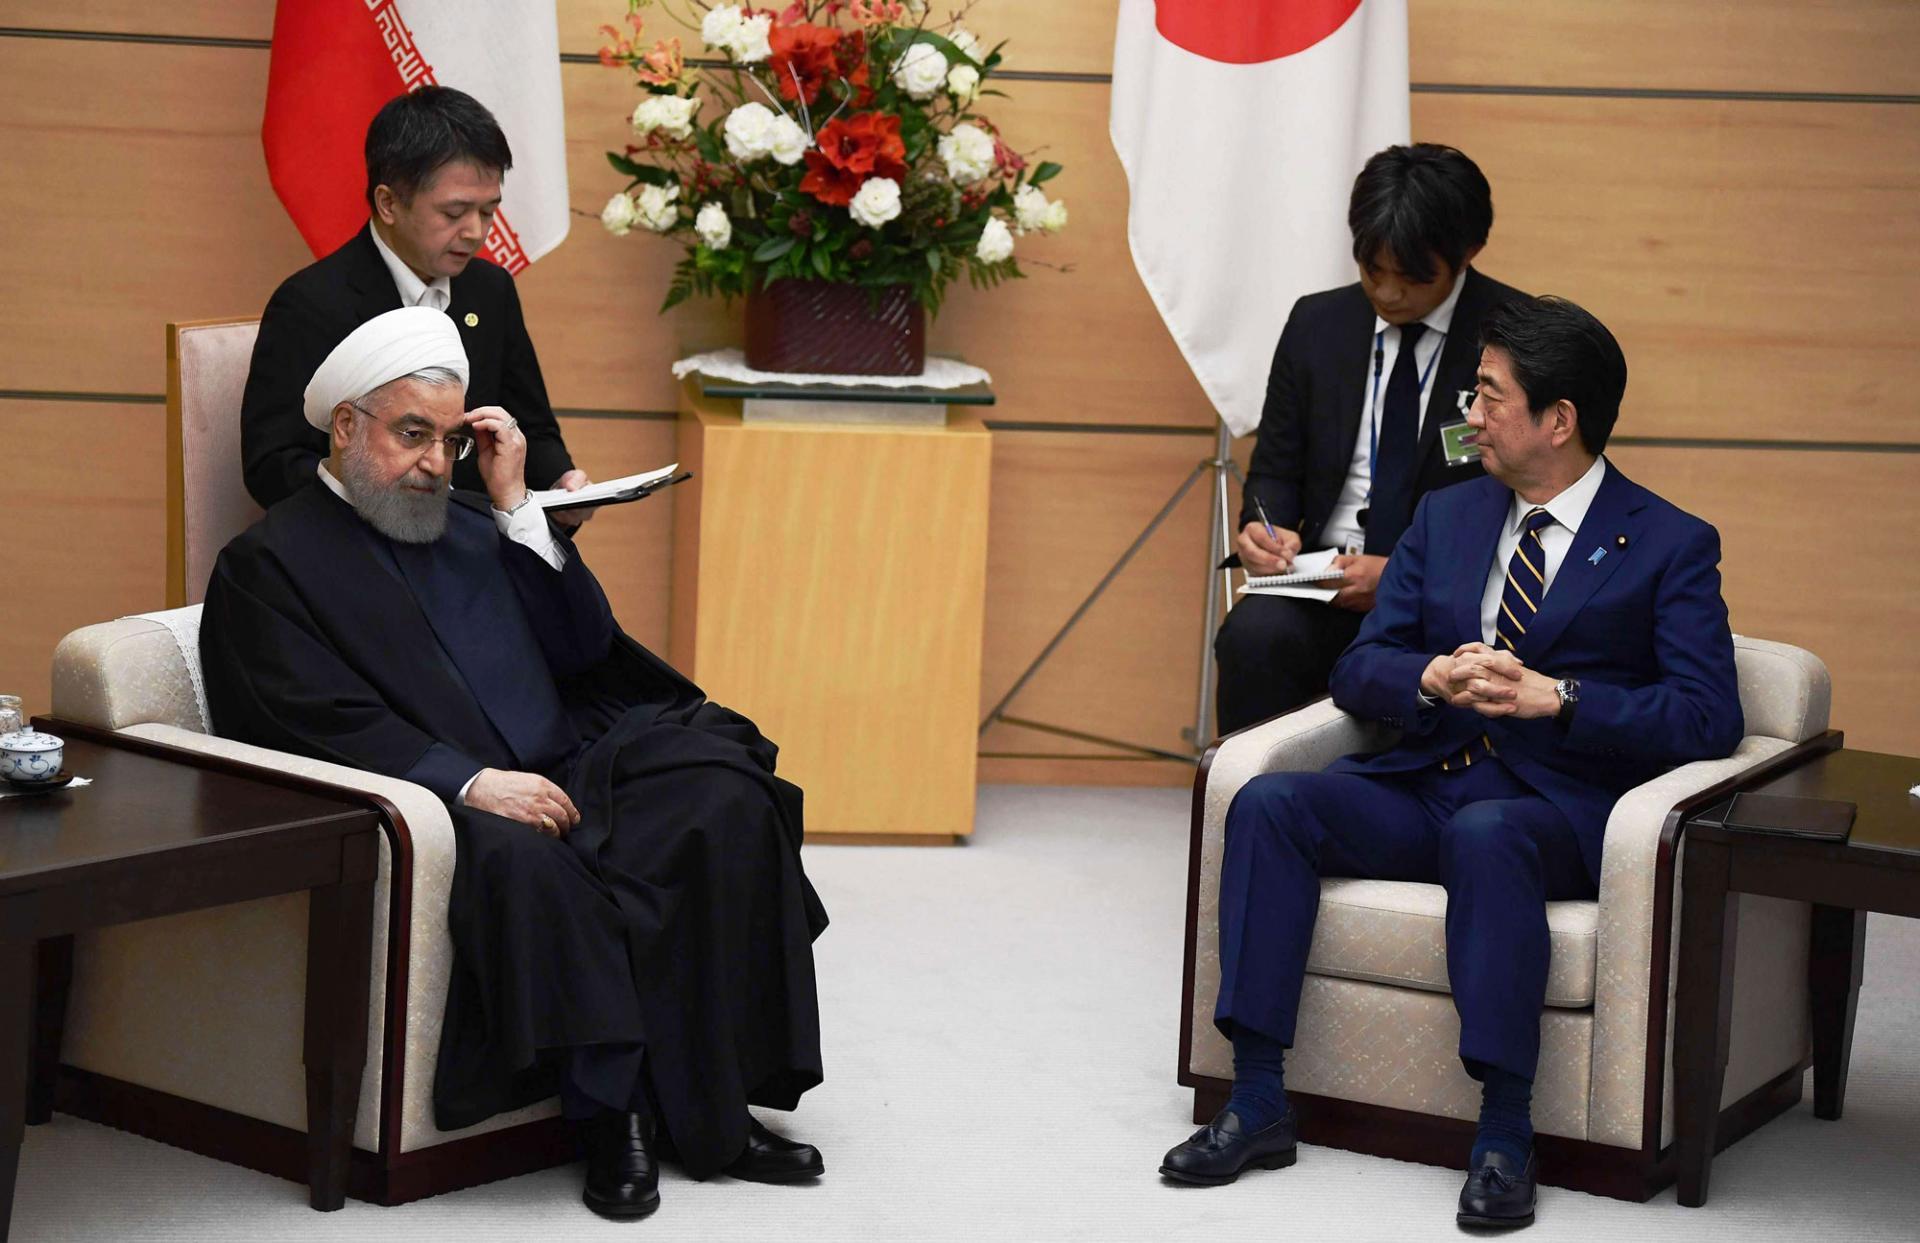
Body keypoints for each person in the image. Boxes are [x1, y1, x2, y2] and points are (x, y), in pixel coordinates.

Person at [201, 307, 827, 1223]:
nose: (432, 463)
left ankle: (719, 1103)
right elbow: (305, 716)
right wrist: (469, 781)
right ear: (344, 426)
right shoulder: (268, 563)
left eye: (449, 441)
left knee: (723, 791)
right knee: (534, 866)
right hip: (447, 798)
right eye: (411, 434)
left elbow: (585, 651)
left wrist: (515, 508)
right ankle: (616, 1116)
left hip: (569, 760)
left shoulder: (472, 521)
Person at [1162, 295, 1744, 1229]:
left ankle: (1505, 1133)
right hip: (1424, 785)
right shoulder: (1448, 515)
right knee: (1269, 804)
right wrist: (1429, 676)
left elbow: (1709, 715)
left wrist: (1560, 697)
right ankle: (1258, 1096)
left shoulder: (1670, 542)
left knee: (1488, 832)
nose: (1469, 413)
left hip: (1550, 811)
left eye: (1489, 394)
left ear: (1559, 420)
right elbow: (1361, 669)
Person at [1215, 144, 1528, 735]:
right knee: (1254, 636)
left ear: (1467, 253)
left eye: (1412, 277)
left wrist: (1399, 575)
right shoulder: (1317, 324)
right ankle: (1249, 790)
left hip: (1450, 593)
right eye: (1372, 270)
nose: (1387, 293)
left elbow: (1533, 497)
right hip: (1322, 581)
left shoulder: (1517, 335)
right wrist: (1264, 529)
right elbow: (1276, 467)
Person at [242, 85, 595, 526]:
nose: (475, 232)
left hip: (478, 541)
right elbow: (271, 465)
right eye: (454, 213)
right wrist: (387, 500)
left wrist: (561, 483)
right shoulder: (311, 303)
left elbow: (530, 427)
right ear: (388, 203)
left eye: (488, 212)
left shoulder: (491, 290)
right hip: (364, 544)